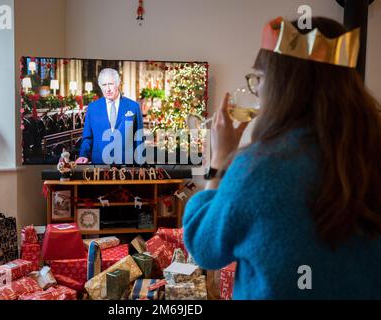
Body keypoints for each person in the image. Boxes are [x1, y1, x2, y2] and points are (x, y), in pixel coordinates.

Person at [183, 17, 381, 299]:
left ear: (282, 86)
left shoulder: (258, 168)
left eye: (259, 79)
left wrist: (220, 159)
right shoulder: (370, 155)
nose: (256, 90)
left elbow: (203, 247)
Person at [76, 68, 144, 165]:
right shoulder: (92, 108)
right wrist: (83, 155)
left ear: (118, 83)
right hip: (99, 164)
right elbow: (87, 137)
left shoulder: (133, 106)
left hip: (126, 164)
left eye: (111, 84)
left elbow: (139, 137)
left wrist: (141, 165)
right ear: (100, 86)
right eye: (104, 85)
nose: (107, 89)